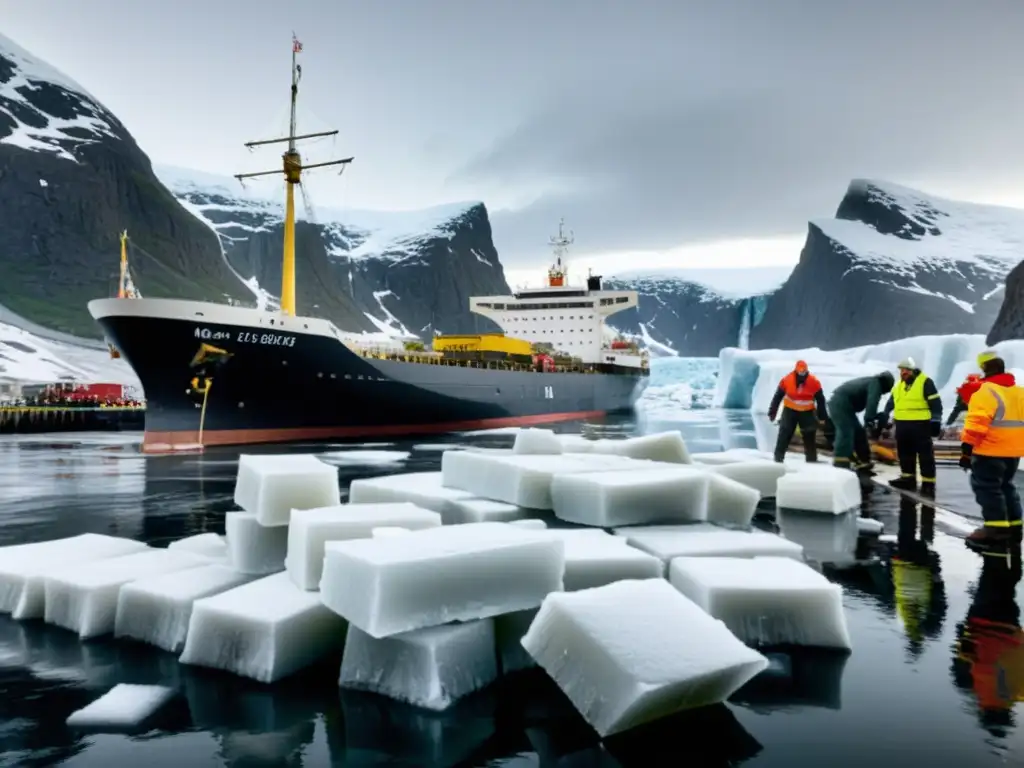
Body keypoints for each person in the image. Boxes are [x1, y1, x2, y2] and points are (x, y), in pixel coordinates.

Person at [960, 351, 1024, 548]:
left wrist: (966, 451)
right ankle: (1014, 525)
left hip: (989, 451)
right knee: (1006, 486)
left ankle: (995, 530)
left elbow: (976, 424)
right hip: (1013, 452)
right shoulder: (1019, 392)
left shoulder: (985, 392)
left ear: (985, 369)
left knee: (987, 488)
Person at [882, 358, 942, 495]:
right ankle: (908, 479)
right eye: (902, 370)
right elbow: (891, 402)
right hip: (902, 425)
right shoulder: (899, 385)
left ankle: (928, 483)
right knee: (905, 453)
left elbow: (936, 403)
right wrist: (885, 414)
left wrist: (936, 420)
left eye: (907, 370)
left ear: (913, 370)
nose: (904, 373)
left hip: (920, 425)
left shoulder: (925, 382)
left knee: (925, 455)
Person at [828, 370, 895, 474]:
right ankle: (840, 460)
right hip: (840, 404)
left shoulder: (870, 382)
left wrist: (871, 418)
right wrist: (869, 419)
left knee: (859, 432)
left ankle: (864, 461)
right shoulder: (876, 383)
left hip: (845, 406)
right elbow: (872, 401)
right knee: (846, 431)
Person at [767, 360, 827, 463]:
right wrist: (772, 411)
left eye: (804, 373)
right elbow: (778, 396)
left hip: (807, 411)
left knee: (809, 435)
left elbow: (821, 399)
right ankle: (778, 459)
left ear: (807, 371)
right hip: (790, 410)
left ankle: (811, 461)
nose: (802, 375)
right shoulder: (787, 380)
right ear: (796, 371)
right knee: (784, 433)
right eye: (800, 373)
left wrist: (822, 417)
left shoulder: (813, 382)